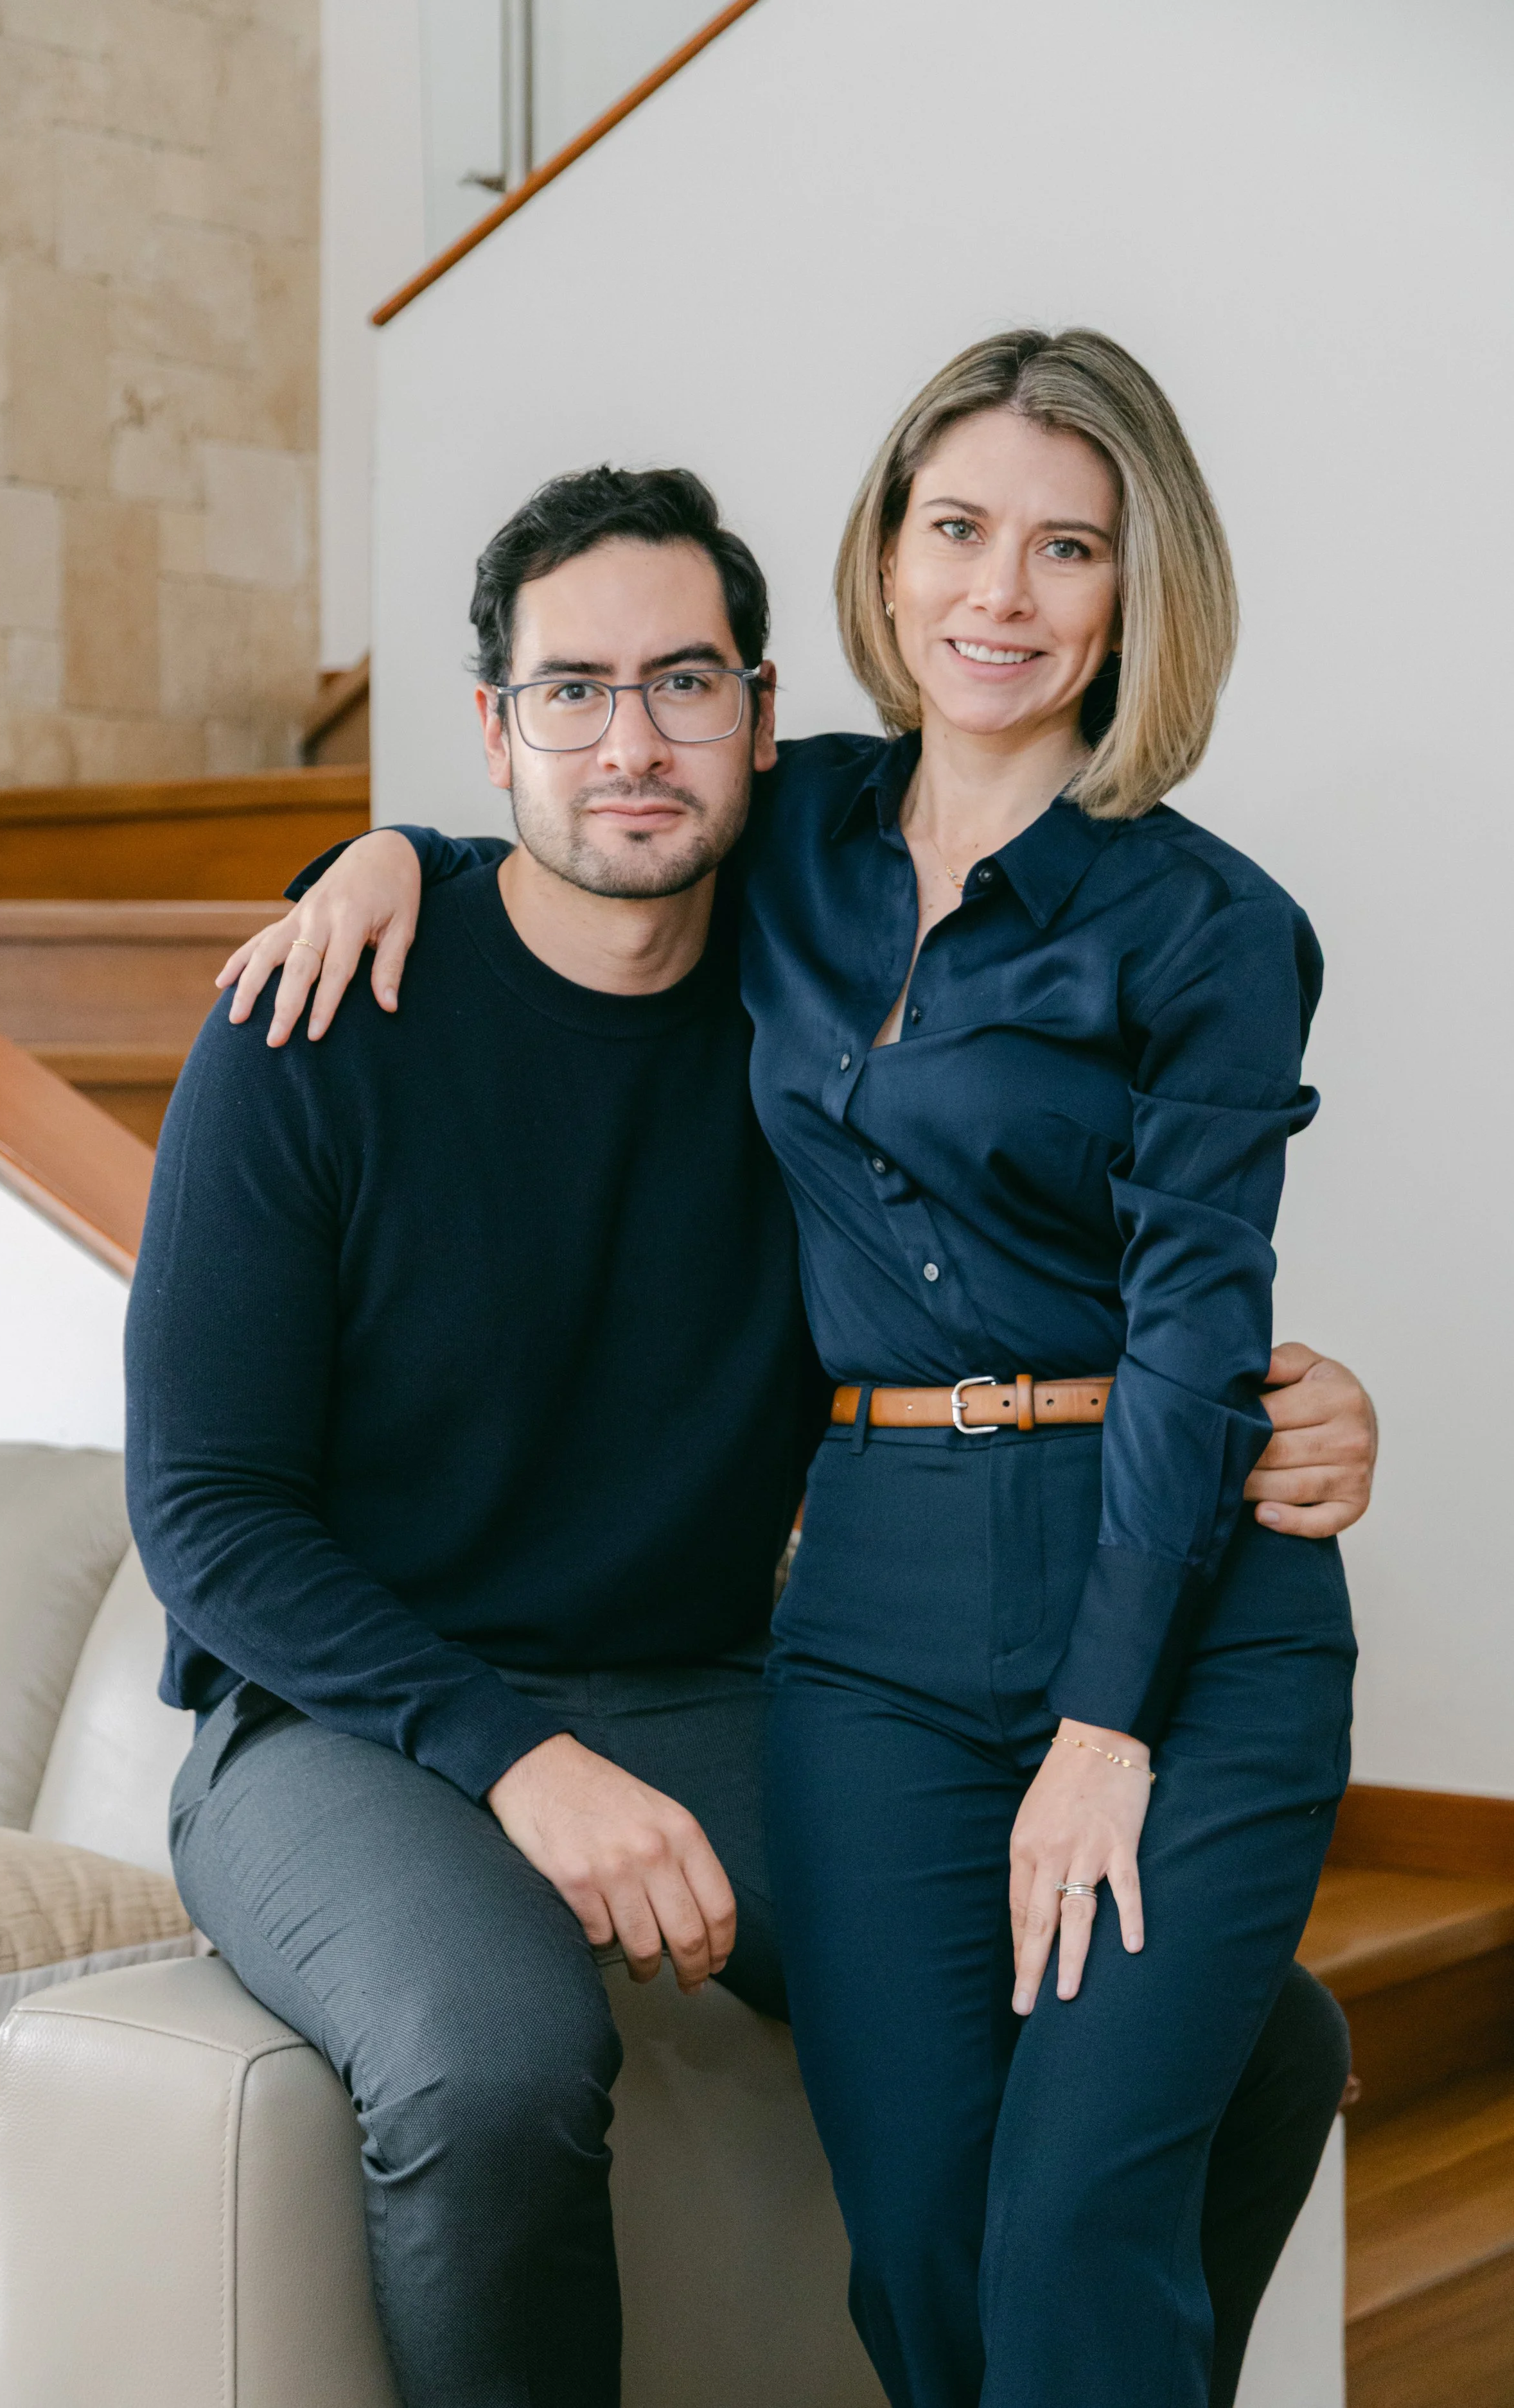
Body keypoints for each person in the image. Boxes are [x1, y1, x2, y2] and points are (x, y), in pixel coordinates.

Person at [153, 448, 1373, 2408]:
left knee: (1258, 2034)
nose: (629, 742)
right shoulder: (317, 1020)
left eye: (684, 684)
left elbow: (1028, 1238)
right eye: (570, 690)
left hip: (702, 1690)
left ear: (761, 718)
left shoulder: (809, 986)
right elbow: (204, 1515)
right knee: (495, 2054)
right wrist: (511, 1751)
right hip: (339, 1717)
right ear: (492, 726)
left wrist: (1284, 1392)